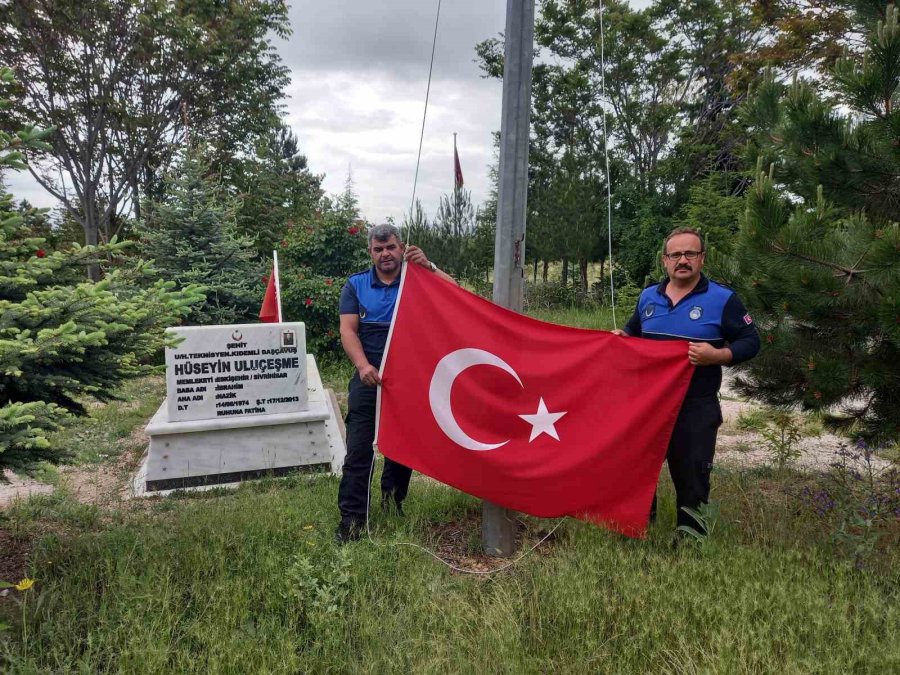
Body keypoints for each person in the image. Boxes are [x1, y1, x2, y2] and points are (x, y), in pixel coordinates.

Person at [613, 226, 760, 532]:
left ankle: (691, 541)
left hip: (695, 405)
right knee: (639, 471)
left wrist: (718, 356)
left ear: (702, 259)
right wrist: (619, 339)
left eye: (690, 253)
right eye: (676, 254)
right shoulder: (648, 297)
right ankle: (640, 529)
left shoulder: (723, 299)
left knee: (691, 476)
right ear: (665, 260)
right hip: (648, 404)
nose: (683, 260)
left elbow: (751, 341)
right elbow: (633, 335)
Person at [335, 223, 456, 543]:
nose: (385, 254)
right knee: (358, 451)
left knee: (402, 448)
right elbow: (348, 331)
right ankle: (352, 520)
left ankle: (392, 503)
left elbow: (457, 296)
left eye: (390, 247)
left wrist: (429, 266)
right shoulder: (356, 285)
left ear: (402, 247)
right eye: (378, 249)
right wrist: (363, 366)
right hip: (368, 375)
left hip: (409, 379)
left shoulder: (418, 278)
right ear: (370, 253)